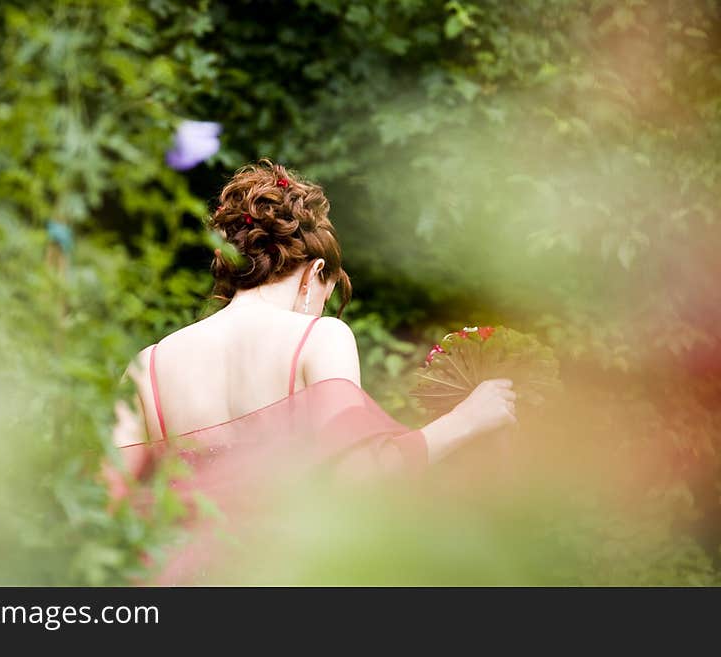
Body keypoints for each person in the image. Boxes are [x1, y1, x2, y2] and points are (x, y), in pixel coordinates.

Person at [106, 159, 516, 582]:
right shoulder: (320, 338)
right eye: (329, 291)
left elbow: (104, 506)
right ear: (316, 273)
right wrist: (467, 421)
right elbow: (357, 479)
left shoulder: (147, 364)